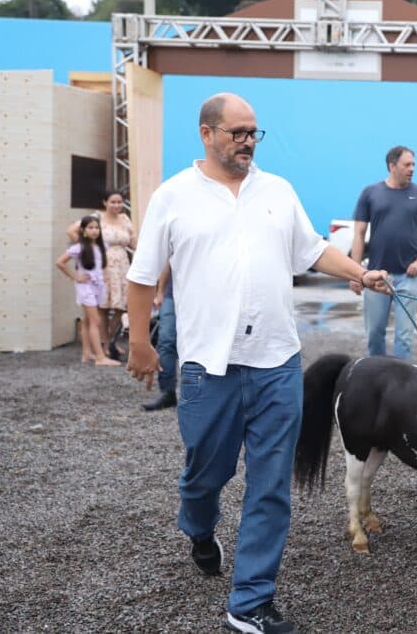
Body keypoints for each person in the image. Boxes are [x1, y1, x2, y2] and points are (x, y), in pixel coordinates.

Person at [125, 92, 390, 634]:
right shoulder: (173, 197)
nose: (248, 141)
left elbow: (312, 250)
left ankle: (250, 602)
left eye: (253, 132)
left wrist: (359, 273)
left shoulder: (277, 191)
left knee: (271, 486)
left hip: (277, 363)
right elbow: (142, 276)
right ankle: (199, 526)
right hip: (207, 368)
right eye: (237, 132)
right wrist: (140, 345)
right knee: (206, 475)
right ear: (207, 133)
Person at [349, 146, 417, 361]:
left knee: (404, 337)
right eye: (407, 164)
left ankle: (401, 377)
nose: (412, 169)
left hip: (409, 277)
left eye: (413, 164)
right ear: (392, 166)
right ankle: (376, 373)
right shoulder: (370, 193)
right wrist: (355, 273)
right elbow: (359, 234)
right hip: (377, 277)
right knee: (374, 334)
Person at [66, 189, 135, 360]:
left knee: (120, 306)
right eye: (113, 202)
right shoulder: (97, 217)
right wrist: (87, 249)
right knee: (103, 307)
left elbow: (133, 241)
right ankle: (104, 345)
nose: (116, 205)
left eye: (119, 202)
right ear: (105, 203)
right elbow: (71, 230)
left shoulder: (125, 219)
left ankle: (110, 340)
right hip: (102, 263)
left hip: (122, 265)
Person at [55, 215, 120, 367]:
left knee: (87, 320)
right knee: (96, 321)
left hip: (98, 286)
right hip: (85, 287)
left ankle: (86, 353)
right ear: (83, 230)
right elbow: (60, 262)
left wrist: (105, 277)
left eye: (97, 227)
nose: (94, 231)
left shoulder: (102, 246)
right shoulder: (79, 247)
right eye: (90, 228)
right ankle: (100, 357)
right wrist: (75, 277)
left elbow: (101, 265)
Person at [142, 266, 177, 412]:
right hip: (172, 293)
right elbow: (168, 263)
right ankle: (167, 392)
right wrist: (160, 292)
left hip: (203, 294)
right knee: (166, 341)